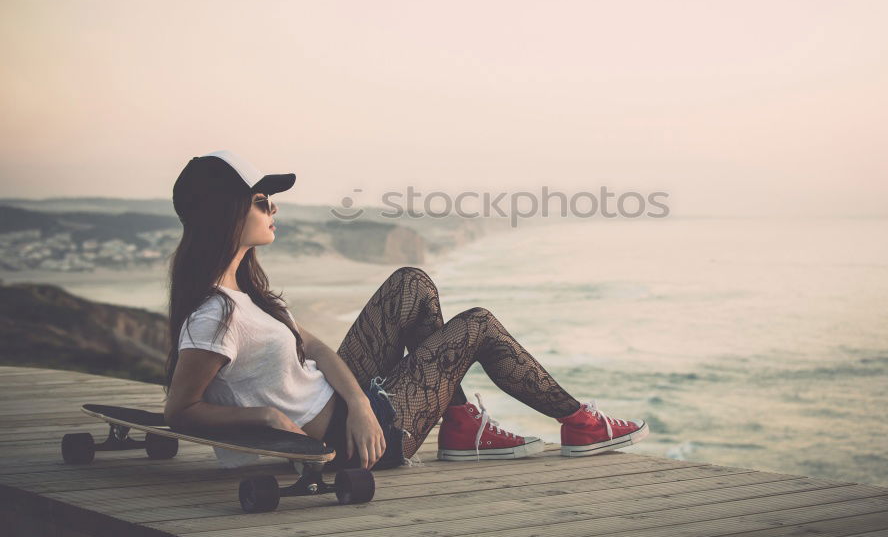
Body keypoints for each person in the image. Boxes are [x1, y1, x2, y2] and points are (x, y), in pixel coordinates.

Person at [163, 149, 649, 471]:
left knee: (410, 284)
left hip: (353, 414)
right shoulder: (215, 314)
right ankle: (579, 421)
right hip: (347, 447)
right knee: (476, 324)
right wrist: (266, 418)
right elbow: (181, 410)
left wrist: (357, 403)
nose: (274, 211)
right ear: (227, 211)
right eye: (263, 201)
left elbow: (315, 348)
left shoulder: (248, 294)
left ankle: (460, 425)